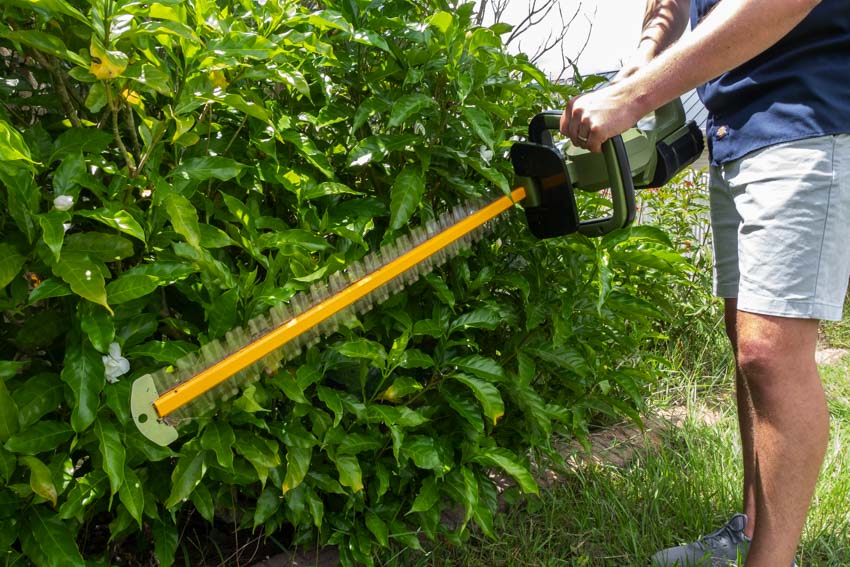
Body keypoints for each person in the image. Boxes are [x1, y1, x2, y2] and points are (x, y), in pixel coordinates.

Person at [560, 0, 850, 565]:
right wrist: (643, 62)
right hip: (734, 122)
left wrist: (636, 98)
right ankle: (748, 533)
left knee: (771, 352)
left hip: (808, 108)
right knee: (745, 334)